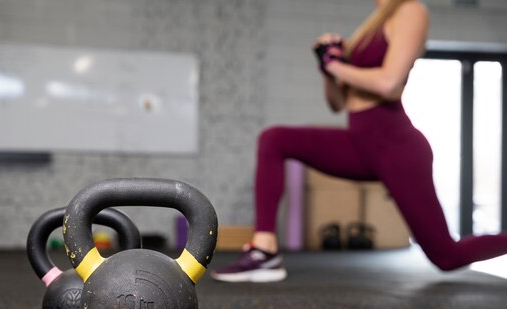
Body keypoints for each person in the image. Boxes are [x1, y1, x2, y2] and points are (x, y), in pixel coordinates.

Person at [211, 0, 507, 283]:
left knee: (446, 256)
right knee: (274, 139)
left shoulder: (411, 10)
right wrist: (326, 69)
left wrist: (337, 65)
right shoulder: (373, 22)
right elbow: (338, 103)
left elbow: (389, 84)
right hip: (360, 143)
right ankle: (264, 250)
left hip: (396, 148)